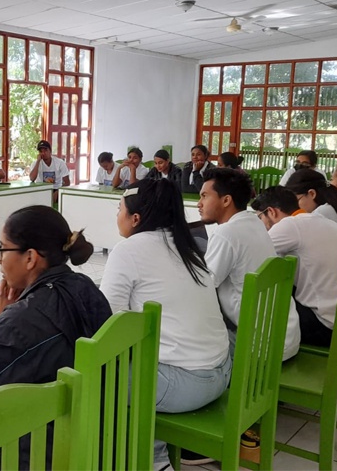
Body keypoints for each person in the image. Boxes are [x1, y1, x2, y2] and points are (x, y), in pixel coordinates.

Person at [99, 179, 230, 469]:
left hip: (185, 386)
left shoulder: (129, 250)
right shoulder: (187, 246)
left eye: (118, 208)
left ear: (135, 218)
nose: (116, 215)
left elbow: (109, 323)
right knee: (146, 353)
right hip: (222, 372)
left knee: (97, 372)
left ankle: (153, 458)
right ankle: (166, 445)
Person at [0, 204, 111, 400]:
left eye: (2, 249)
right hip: (96, 417)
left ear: (30, 257)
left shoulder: (24, 319)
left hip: (47, 428)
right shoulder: (84, 286)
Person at [198, 168, 300, 361]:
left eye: (204, 196)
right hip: (285, 339)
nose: (199, 204)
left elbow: (203, 288)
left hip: (259, 348)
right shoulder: (255, 224)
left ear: (226, 200)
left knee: (181, 341)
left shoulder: (226, 233)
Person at [251, 186, 337, 347]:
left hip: (325, 325)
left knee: (255, 307)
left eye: (260, 217)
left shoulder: (289, 226)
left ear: (271, 212)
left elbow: (252, 255)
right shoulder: (319, 221)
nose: (262, 225)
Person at [285, 168, 337, 241]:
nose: (295, 207)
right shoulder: (334, 204)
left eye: (296, 201)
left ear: (312, 194)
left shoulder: (322, 213)